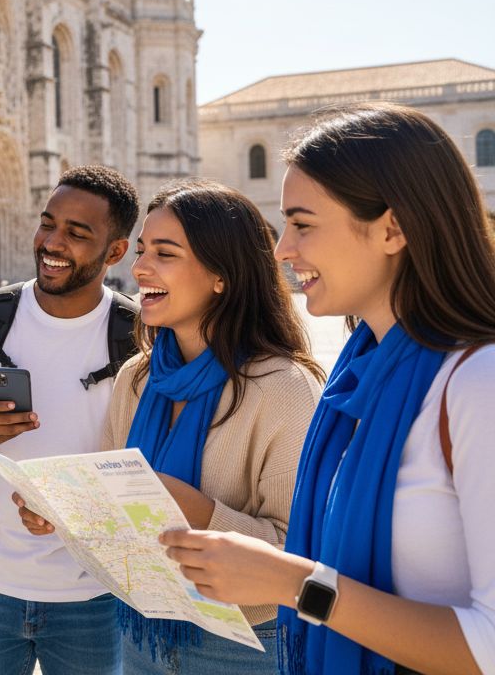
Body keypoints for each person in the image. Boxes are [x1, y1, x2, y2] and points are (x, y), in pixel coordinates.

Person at [159, 103, 495, 675]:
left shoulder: (477, 385)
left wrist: (294, 583)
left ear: (394, 229)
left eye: (303, 224)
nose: (283, 249)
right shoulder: (357, 376)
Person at [53, 179, 320, 674]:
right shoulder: (136, 377)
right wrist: (67, 512)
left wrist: (198, 512)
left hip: (245, 645)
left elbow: (302, 553)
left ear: (222, 275)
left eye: (165, 253)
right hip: (142, 630)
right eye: (141, 250)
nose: (139, 268)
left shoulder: (284, 388)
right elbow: (115, 513)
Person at [0, 165, 141, 675]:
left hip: (96, 597)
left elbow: (153, 475)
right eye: (48, 223)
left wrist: (75, 508)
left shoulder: (139, 337)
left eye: (76, 232)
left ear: (115, 252)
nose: (51, 242)